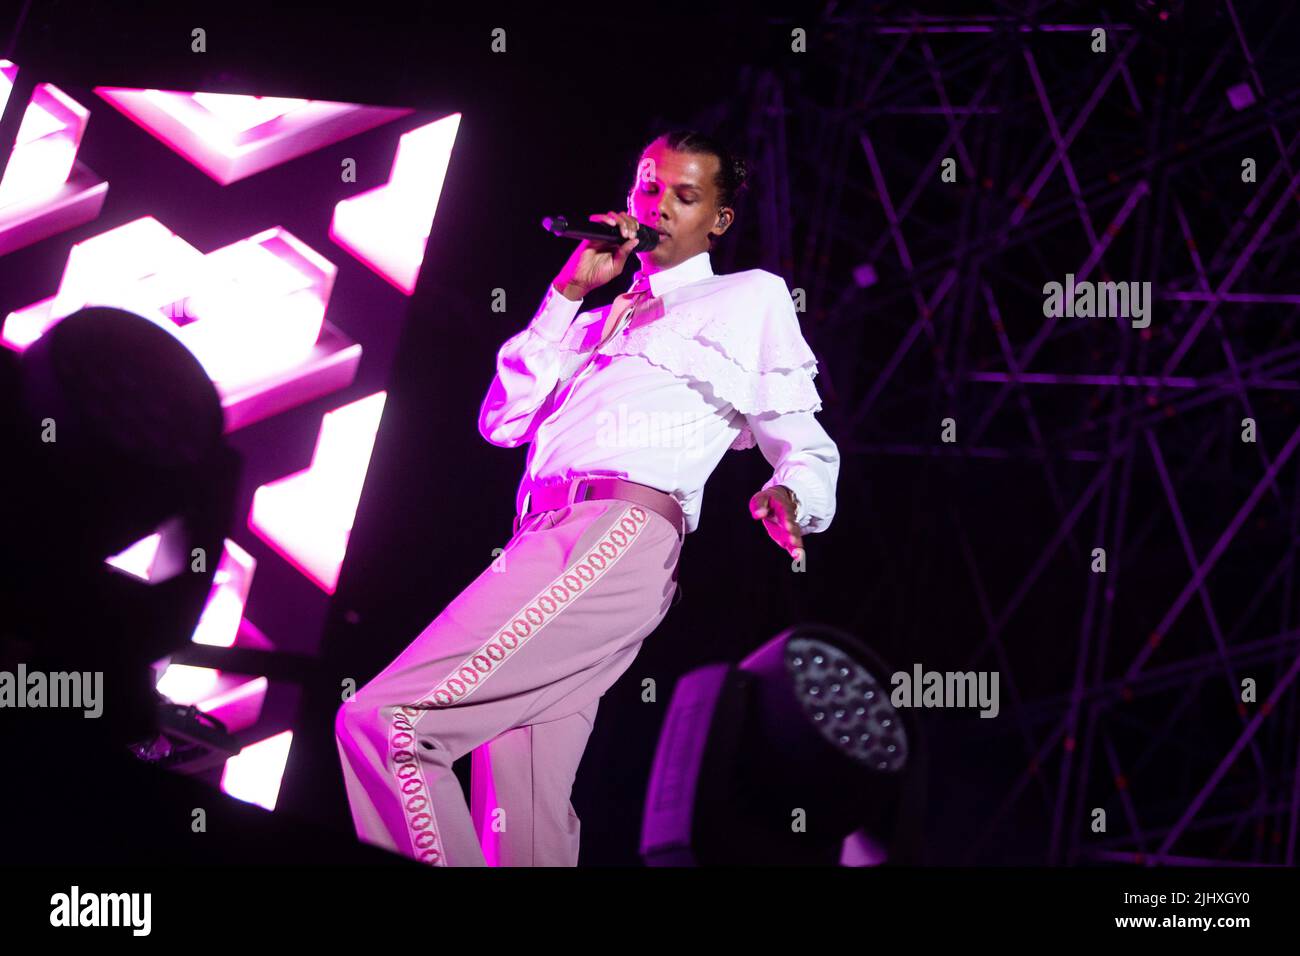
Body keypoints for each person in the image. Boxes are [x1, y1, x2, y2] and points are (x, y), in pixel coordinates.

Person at [335, 129, 841, 866]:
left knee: (389, 723)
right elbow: (502, 422)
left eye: (685, 195)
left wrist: (789, 493)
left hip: (614, 532)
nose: (658, 205)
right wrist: (567, 294)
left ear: (719, 221)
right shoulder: (599, 315)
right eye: (648, 186)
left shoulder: (746, 297)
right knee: (525, 808)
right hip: (545, 535)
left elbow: (804, 437)